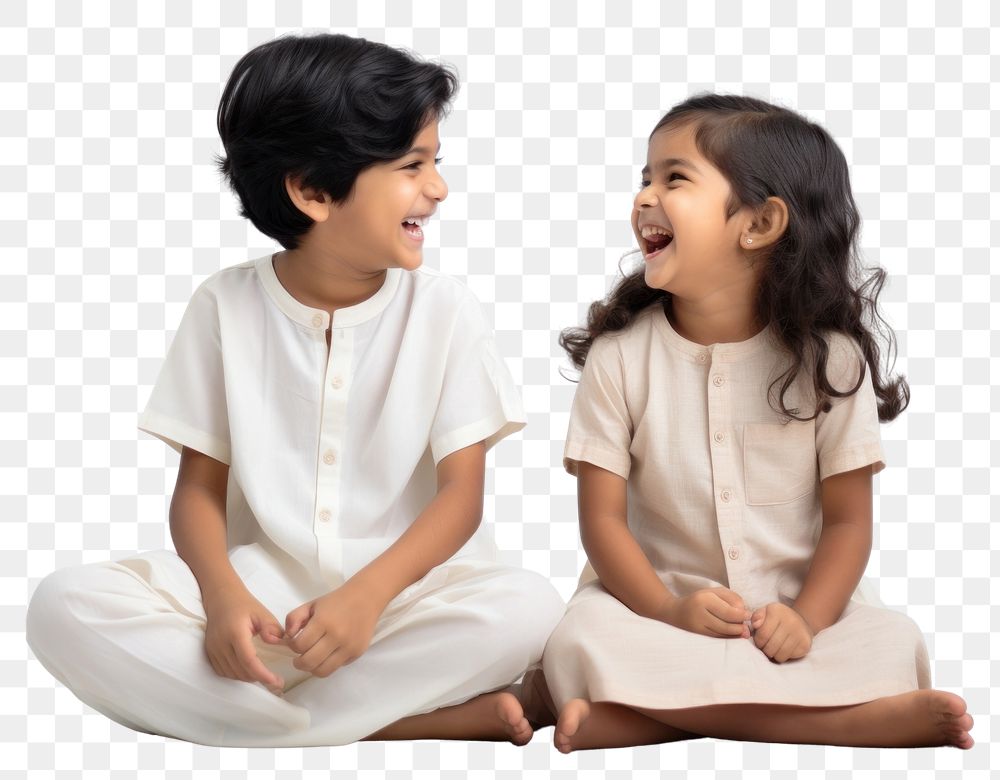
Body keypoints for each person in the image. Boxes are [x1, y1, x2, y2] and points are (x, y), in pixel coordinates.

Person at [25, 32, 564, 747]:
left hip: (407, 595)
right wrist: (221, 599)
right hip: (262, 595)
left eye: (435, 163)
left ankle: (257, 715)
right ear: (312, 191)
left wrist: (367, 598)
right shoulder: (224, 306)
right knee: (59, 606)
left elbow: (461, 499)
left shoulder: (445, 311)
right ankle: (394, 719)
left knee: (528, 608)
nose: (437, 188)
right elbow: (197, 492)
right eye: (412, 166)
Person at [538, 93, 973, 752]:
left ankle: (635, 721)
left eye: (674, 178)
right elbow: (601, 522)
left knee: (894, 640)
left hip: (797, 610)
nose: (645, 198)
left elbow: (850, 522)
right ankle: (852, 724)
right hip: (652, 607)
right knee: (578, 639)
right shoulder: (620, 358)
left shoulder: (832, 360)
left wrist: (808, 618)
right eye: (644, 178)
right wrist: (667, 610)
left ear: (761, 223)